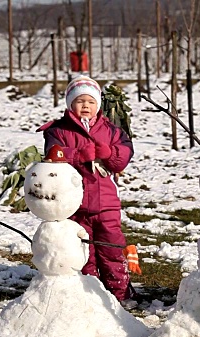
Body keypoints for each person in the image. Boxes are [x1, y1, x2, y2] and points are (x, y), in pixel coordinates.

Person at [36, 75, 135, 301]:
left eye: (90, 102)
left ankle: (119, 292)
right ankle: (91, 293)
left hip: (106, 202)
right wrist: (79, 155)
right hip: (75, 203)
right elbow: (53, 157)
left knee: (111, 247)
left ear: (98, 104)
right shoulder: (59, 130)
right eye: (80, 101)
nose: (86, 106)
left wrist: (109, 153)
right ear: (71, 104)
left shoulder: (110, 130)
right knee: (83, 251)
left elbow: (124, 156)